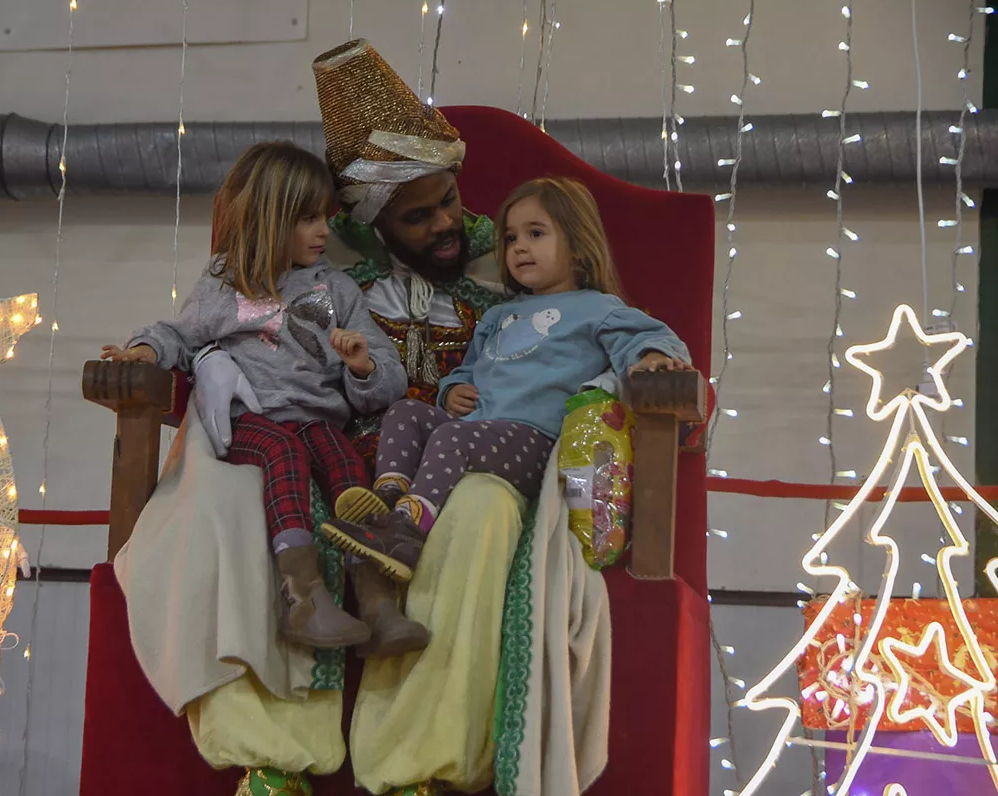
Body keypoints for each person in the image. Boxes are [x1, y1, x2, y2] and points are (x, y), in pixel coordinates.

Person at [122, 40, 614, 796]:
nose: (449, 223)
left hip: (472, 454)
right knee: (231, 493)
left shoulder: (515, 261)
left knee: (482, 509)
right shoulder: (325, 277)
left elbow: (591, 334)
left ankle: (421, 760)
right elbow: (228, 323)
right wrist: (208, 360)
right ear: (372, 223)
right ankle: (273, 755)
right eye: (419, 216)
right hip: (330, 434)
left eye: (450, 200)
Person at [102, 141, 407, 649]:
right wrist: (145, 351)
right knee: (284, 454)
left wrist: (364, 365)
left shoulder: (338, 292)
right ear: (270, 219)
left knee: (347, 464)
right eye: (307, 219)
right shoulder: (226, 284)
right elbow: (178, 334)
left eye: (325, 217)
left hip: (319, 419)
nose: (323, 232)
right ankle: (302, 598)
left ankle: (377, 603)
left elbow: (387, 375)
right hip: (252, 419)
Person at [322, 178, 692, 583]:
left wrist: (654, 358)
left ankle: (408, 536)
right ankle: (388, 503)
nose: (519, 247)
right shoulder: (498, 315)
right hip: (477, 430)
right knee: (405, 413)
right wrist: (451, 391)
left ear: (579, 246)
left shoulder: (597, 308)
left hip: (535, 441)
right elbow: (469, 369)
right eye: (511, 237)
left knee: (450, 440)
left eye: (535, 234)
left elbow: (649, 335)